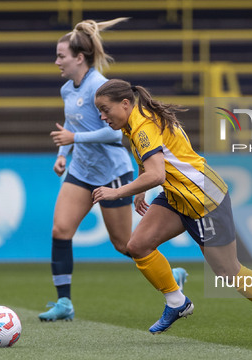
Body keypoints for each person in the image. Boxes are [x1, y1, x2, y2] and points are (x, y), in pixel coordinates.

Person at [91, 79, 252, 342]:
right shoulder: (137, 121)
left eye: (105, 109)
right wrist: (141, 186)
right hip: (178, 197)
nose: (102, 116)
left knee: (228, 271)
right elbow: (155, 162)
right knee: (138, 245)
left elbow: (156, 174)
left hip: (204, 199)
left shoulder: (142, 126)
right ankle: (177, 302)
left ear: (124, 103)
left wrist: (118, 191)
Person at [40, 19, 187, 322]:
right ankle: (64, 303)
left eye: (61, 56)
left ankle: (172, 277)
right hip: (81, 170)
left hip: (112, 173)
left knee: (125, 245)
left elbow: (114, 134)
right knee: (60, 230)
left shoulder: (98, 86)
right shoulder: (68, 88)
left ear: (79, 58)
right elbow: (71, 123)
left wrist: (74, 139)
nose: (57, 62)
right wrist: (62, 154)